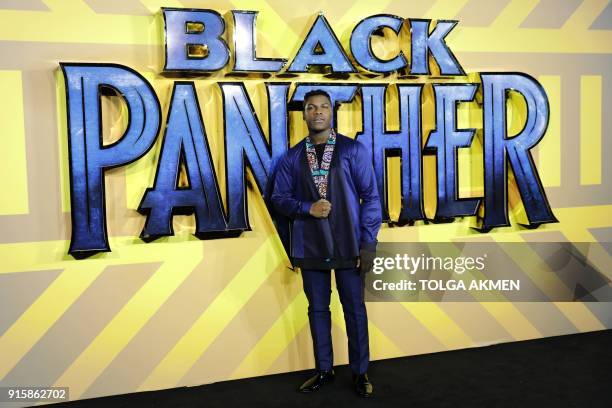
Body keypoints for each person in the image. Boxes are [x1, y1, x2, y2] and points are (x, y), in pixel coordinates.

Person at [270, 89, 382, 398]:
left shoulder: (352, 150)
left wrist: (368, 243)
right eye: (311, 107)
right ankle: (324, 369)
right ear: (303, 114)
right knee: (317, 309)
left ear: (331, 112)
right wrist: (307, 208)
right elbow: (278, 198)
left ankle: (360, 372)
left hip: (348, 243)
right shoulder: (292, 157)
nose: (317, 112)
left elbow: (371, 197)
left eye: (323, 107)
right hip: (310, 246)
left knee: (354, 310)